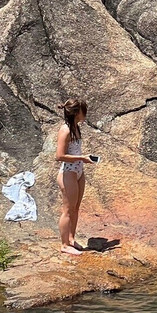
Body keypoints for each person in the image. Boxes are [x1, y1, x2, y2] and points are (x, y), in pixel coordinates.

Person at [55, 98, 93, 255]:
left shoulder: (76, 127)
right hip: (68, 172)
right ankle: (64, 245)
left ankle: (71, 239)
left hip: (78, 171)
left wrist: (84, 159)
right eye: (84, 110)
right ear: (77, 112)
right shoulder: (65, 130)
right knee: (68, 210)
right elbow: (59, 156)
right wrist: (82, 158)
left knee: (76, 208)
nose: (86, 114)